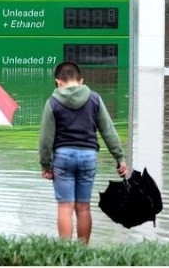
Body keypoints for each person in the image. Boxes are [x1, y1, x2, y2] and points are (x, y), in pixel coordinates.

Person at [39, 61, 128, 244]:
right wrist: (119, 158)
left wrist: (45, 165)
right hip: (88, 156)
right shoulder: (94, 99)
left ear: (58, 82)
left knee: (65, 206)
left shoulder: (53, 102)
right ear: (81, 80)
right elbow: (108, 131)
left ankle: (65, 254)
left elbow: (45, 138)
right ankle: (82, 253)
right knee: (83, 208)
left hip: (63, 157)